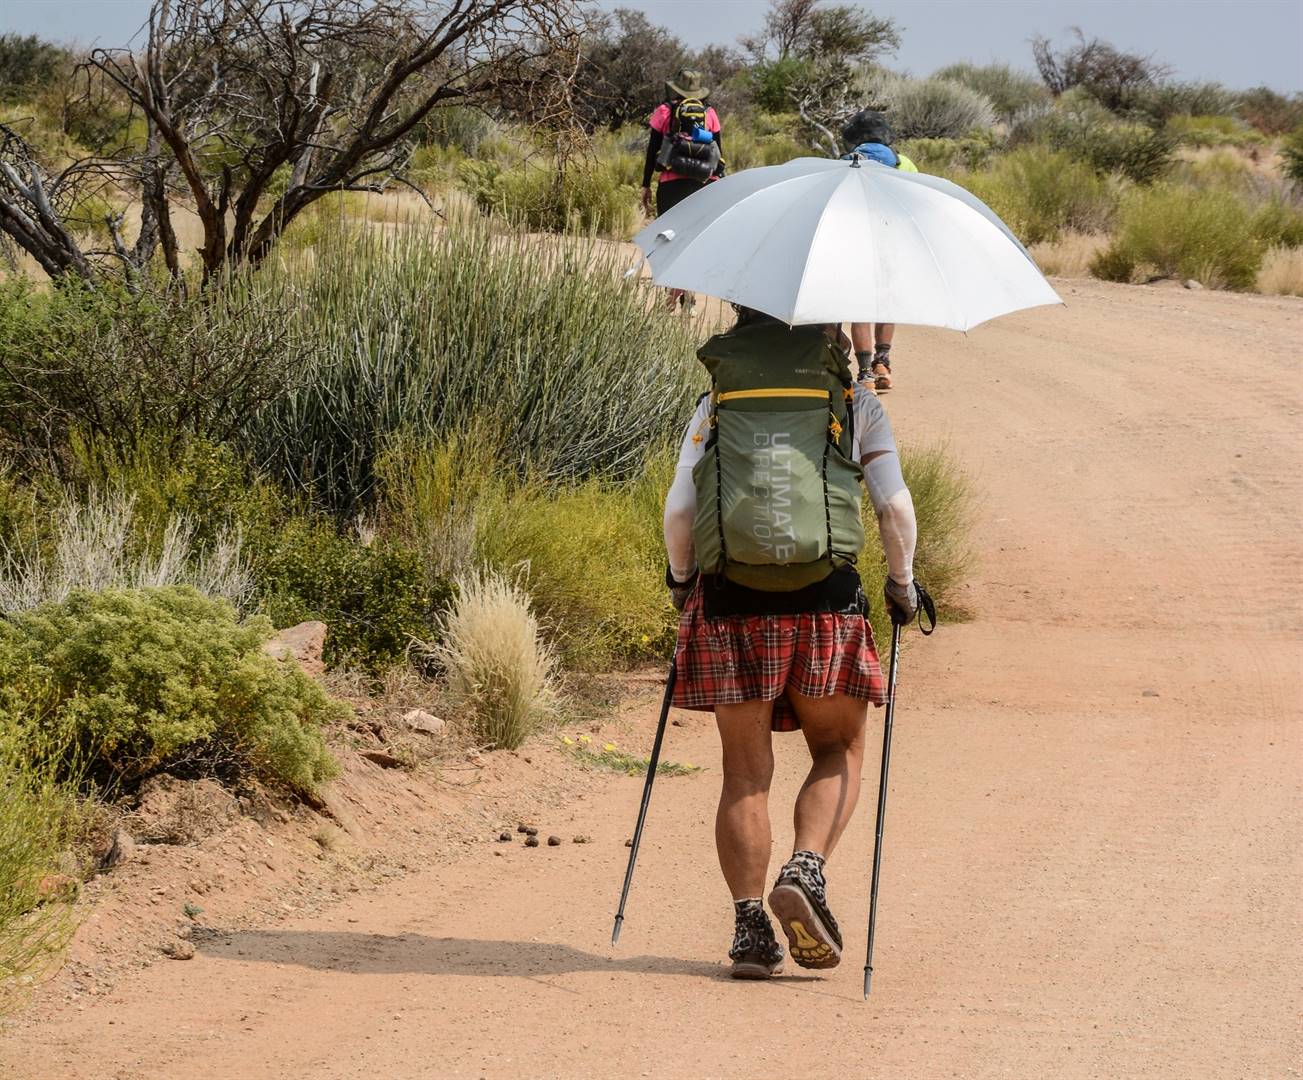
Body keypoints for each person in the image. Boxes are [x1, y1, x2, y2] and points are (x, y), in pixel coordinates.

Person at [662, 305, 921, 979]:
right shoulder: (856, 402)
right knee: (838, 748)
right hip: (825, 603)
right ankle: (805, 869)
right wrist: (902, 585)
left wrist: (682, 582)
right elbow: (893, 507)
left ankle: (749, 928)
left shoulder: (716, 401)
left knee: (744, 773)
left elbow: (681, 510)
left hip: (731, 602)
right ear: (828, 329)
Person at [839, 110, 919, 392]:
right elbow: (915, 201)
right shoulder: (903, 163)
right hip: (891, 239)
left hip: (857, 240)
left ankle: (865, 374)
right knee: (887, 301)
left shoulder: (846, 163)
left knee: (860, 304)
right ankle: (882, 363)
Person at [641, 69, 725, 313]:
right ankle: (688, 297)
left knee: (670, 240)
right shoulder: (709, 113)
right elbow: (718, 152)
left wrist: (645, 184)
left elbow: (652, 151)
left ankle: (671, 298)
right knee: (693, 240)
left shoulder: (664, 111)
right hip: (702, 183)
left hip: (670, 183)